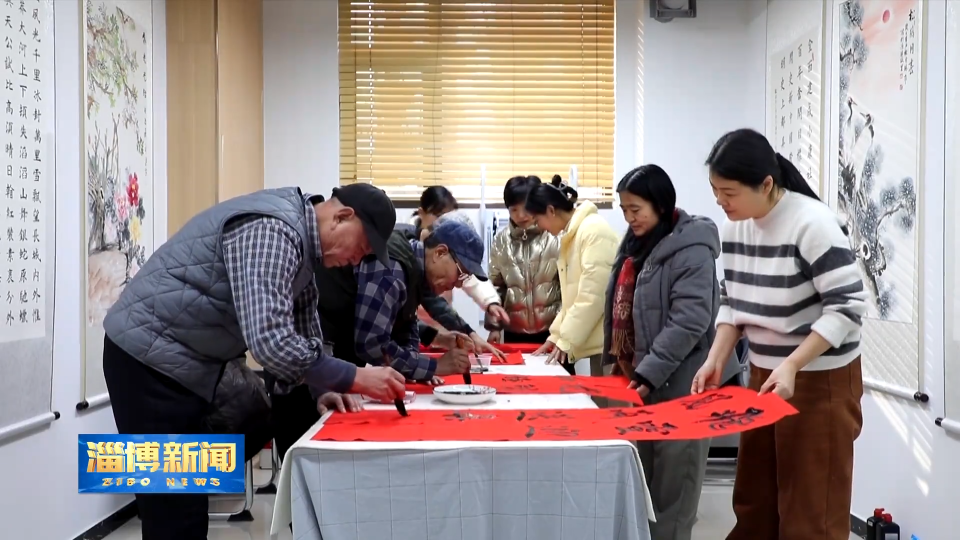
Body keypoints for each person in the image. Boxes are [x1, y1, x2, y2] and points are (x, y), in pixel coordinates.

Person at [100, 185, 408, 540]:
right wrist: (355, 378)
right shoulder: (273, 230)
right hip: (147, 360)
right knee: (173, 508)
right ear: (342, 217)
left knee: (187, 496)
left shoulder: (303, 250)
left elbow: (304, 328)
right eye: (363, 247)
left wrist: (324, 387)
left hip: (183, 362)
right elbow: (271, 343)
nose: (358, 260)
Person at [692, 128, 867, 540]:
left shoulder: (812, 224)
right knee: (755, 499)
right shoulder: (734, 227)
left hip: (818, 378)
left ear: (766, 184)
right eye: (716, 191)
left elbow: (847, 306)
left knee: (811, 509)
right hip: (763, 374)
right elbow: (732, 301)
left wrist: (791, 365)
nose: (721, 201)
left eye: (729, 192)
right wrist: (717, 357)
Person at [601, 164, 736, 540]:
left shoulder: (692, 250)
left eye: (636, 209)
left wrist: (646, 375)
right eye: (624, 210)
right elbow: (617, 310)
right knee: (641, 490)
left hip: (683, 387)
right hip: (642, 383)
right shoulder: (635, 246)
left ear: (660, 204)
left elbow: (690, 322)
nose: (629, 218)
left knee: (673, 498)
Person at [524, 174, 618, 374]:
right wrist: (555, 336)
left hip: (609, 342)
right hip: (597, 340)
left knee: (611, 404)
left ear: (551, 211)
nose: (539, 227)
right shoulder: (572, 236)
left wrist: (566, 340)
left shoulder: (593, 231)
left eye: (538, 220)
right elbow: (572, 301)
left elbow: (593, 297)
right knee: (597, 402)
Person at [485, 175, 561, 344]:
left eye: (526, 208)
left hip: (553, 332)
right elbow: (495, 287)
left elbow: (567, 288)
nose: (521, 215)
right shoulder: (501, 241)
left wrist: (563, 330)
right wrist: (494, 328)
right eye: (514, 210)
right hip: (515, 332)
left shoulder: (555, 237)